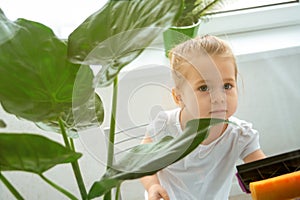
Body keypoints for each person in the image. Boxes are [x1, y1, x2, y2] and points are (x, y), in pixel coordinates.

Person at [140, 35, 266, 200]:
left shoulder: (240, 135)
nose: (219, 97)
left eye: (227, 86)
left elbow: (267, 174)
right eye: (204, 87)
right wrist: (152, 185)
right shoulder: (164, 126)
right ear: (179, 97)